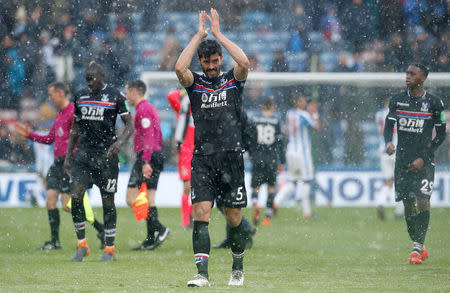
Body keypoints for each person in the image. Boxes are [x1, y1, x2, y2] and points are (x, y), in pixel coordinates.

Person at [175, 8, 250, 287]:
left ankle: (237, 267)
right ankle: (202, 275)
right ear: (201, 61)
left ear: (220, 59)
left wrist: (219, 34)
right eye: (206, 62)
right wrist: (199, 35)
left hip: (231, 156)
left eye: (215, 61)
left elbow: (244, 61)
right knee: (201, 214)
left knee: (233, 217)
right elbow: (179, 69)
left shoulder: (232, 80)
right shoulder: (195, 84)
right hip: (203, 159)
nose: (210, 67)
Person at [14, 82, 105, 250]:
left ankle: (101, 230)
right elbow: (50, 139)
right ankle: (55, 241)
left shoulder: (73, 112)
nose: (49, 98)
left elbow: (83, 136)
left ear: (61, 93)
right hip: (57, 164)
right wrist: (30, 135)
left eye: (51, 95)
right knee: (50, 200)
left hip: (69, 163)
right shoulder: (60, 114)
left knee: (67, 205)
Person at [63, 61, 133, 262]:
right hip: (84, 154)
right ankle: (82, 245)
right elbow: (75, 127)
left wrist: (119, 143)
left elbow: (130, 125)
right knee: (76, 196)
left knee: (107, 201)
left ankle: (109, 249)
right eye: (86, 79)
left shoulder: (115, 96)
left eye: (92, 79)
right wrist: (69, 154)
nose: (89, 83)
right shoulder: (80, 96)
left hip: (106, 156)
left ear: (102, 78)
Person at [384, 63, 446, 264]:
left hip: (425, 160)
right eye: (407, 73)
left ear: (423, 78)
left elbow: (441, 135)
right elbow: (389, 124)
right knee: (408, 204)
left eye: (413, 73)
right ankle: (419, 245)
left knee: (423, 199)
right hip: (402, 159)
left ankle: (416, 249)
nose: (408, 76)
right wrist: (388, 142)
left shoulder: (435, 103)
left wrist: (423, 157)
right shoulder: (397, 100)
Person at [125, 80, 170, 250]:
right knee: (149, 198)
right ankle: (151, 238)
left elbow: (149, 136)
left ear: (135, 91)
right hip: (155, 155)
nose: (126, 95)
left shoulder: (143, 109)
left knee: (131, 198)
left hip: (147, 156)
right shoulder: (148, 108)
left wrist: (145, 161)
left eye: (127, 91)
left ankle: (159, 228)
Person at [274, 96, 320, 219]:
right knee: (307, 180)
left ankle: (275, 202)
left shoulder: (289, 114)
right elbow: (316, 127)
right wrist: (315, 115)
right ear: (298, 102)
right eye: (303, 101)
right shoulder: (304, 115)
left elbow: (287, 129)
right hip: (302, 152)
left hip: (290, 150)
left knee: (293, 182)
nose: (305, 102)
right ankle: (305, 211)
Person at [248, 99, 285, 227]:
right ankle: (267, 218)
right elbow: (281, 143)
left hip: (258, 158)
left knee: (255, 187)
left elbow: (250, 141)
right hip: (271, 159)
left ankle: (256, 205)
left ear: (261, 108)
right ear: (273, 108)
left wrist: (252, 155)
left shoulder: (255, 120)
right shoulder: (276, 122)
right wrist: (282, 161)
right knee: (271, 188)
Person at [166, 88, 194, 229]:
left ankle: (193, 215)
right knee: (187, 187)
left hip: (200, 153)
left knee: (198, 187)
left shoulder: (202, 110)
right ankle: (186, 220)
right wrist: (184, 91)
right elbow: (170, 96)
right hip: (185, 153)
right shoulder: (182, 109)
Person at [375, 97, 404, 220]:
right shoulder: (399, 114)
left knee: (388, 182)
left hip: (383, 149)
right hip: (396, 149)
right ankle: (399, 212)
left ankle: (380, 202)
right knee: (401, 182)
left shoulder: (379, 114)